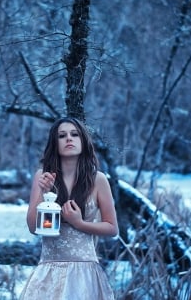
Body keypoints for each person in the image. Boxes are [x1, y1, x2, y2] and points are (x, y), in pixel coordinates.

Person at [20, 117, 118, 300]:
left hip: (85, 273)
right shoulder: (43, 176)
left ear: (84, 141)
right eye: (62, 135)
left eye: (75, 134)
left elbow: (112, 228)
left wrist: (79, 223)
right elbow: (33, 228)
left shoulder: (98, 179)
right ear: (54, 143)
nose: (69, 139)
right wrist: (43, 192)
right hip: (49, 271)